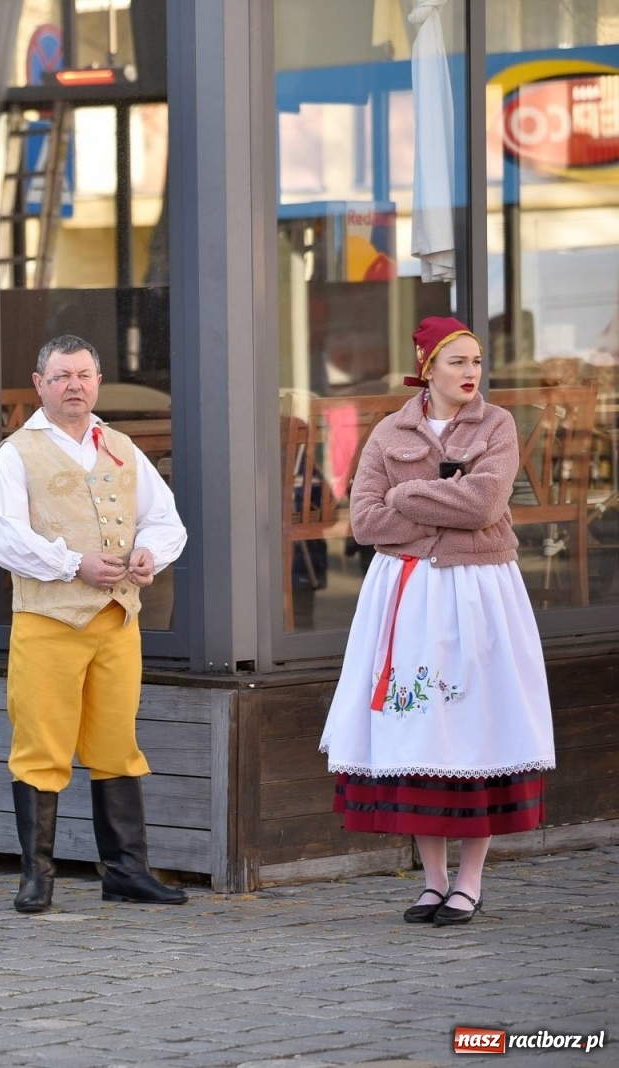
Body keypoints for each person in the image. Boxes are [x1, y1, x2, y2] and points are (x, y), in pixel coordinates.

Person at [319, 316, 555, 926]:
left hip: (478, 591)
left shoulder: (496, 425)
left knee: (476, 725)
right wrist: (439, 499)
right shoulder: (389, 431)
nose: (472, 372)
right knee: (419, 729)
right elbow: (365, 522)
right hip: (408, 595)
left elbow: (485, 503)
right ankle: (433, 881)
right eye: (458, 361)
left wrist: (405, 496)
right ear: (428, 369)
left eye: (476, 361)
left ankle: (470, 882)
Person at [0, 334, 190, 913]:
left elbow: (165, 520)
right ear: (39, 385)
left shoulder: (121, 446)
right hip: (48, 622)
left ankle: (127, 872)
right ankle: (37, 877)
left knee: (117, 745)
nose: (74, 386)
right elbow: (4, 539)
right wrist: (74, 564)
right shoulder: (15, 453)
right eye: (61, 376)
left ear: (97, 381)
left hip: (118, 621)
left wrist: (149, 553)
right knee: (41, 747)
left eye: (83, 375)